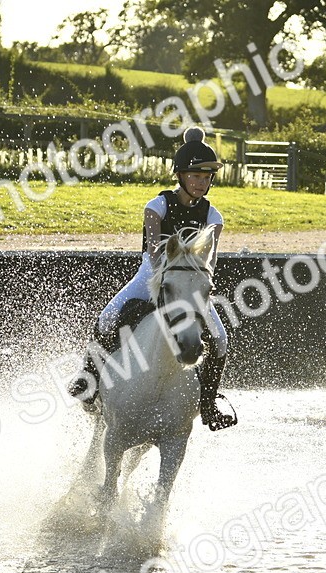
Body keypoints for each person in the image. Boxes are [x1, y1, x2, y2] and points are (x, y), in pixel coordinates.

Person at [67, 127, 237, 431]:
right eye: (196, 175)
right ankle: (89, 380)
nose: (201, 182)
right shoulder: (157, 206)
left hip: (190, 284)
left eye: (207, 177)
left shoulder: (214, 217)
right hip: (151, 275)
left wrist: (193, 287)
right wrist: (169, 280)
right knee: (108, 319)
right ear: (181, 175)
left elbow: (209, 262)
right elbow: (156, 254)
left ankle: (208, 403)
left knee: (221, 339)